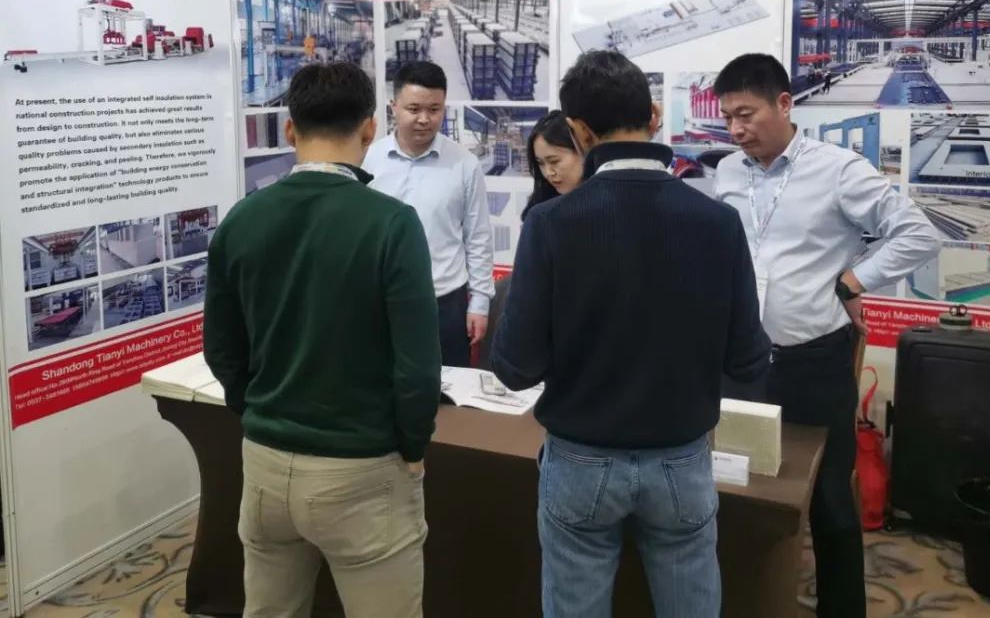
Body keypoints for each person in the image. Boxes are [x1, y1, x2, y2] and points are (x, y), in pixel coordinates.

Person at [491, 50, 772, 617]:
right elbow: (748, 360)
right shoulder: (718, 223)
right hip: (682, 458)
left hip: (580, 460)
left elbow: (515, 367)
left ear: (579, 130)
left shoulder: (549, 224)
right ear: (654, 116)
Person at [204, 62, 441, 618]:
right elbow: (417, 367)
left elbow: (222, 349)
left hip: (264, 464)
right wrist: (413, 446)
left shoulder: (241, 219)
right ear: (369, 128)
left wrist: (257, 411)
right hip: (363, 468)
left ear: (290, 129)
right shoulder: (392, 223)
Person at [711, 53, 941, 618]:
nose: (736, 129)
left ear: (784, 104)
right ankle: (752, 600)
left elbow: (917, 234)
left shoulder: (839, 170)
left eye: (746, 115)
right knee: (740, 486)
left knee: (831, 500)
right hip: (741, 361)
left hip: (813, 362)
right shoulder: (729, 173)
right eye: (728, 117)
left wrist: (853, 280)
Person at [363, 61, 495, 367]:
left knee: (448, 388)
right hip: (380, 301)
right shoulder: (369, 160)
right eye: (414, 109)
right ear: (394, 107)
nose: (424, 119)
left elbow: (477, 236)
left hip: (446, 304)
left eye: (434, 110)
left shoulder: (464, 164)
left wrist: (479, 303)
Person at [522, 109, 586, 220]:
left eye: (554, 161)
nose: (548, 173)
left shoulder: (608, 202)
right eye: (540, 163)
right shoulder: (540, 212)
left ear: (581, 149)